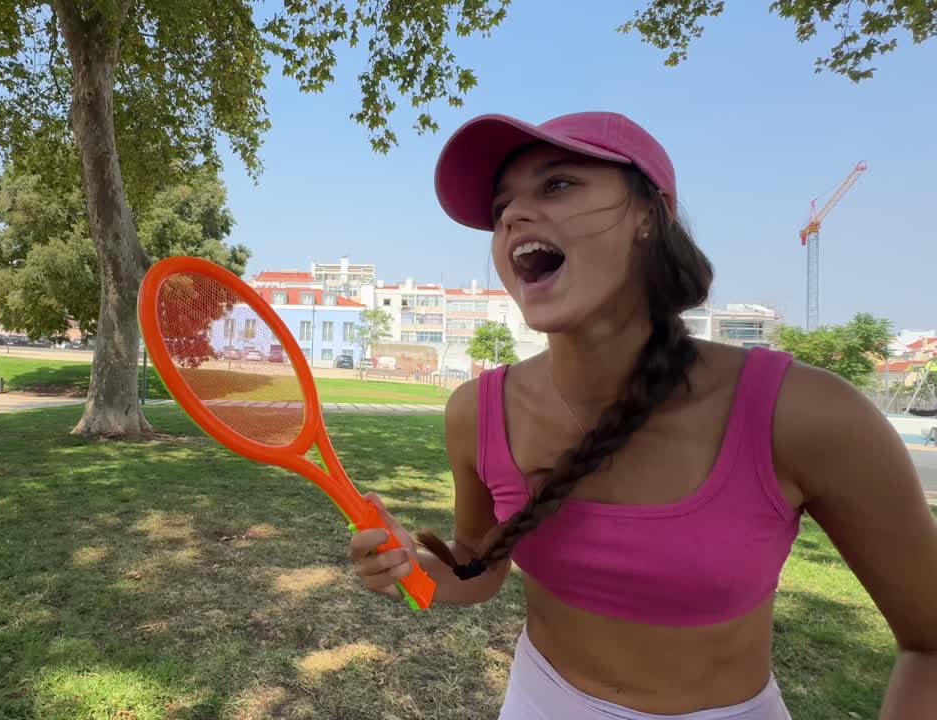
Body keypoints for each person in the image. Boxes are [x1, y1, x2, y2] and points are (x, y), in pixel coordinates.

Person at [347, 111, 937, 719]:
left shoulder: (805, 413)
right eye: (501, 210)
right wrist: (412, 571)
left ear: (647, 216)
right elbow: (477, 568)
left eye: (557, 185)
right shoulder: (476, 411)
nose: (513, 218)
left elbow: (930, 643)